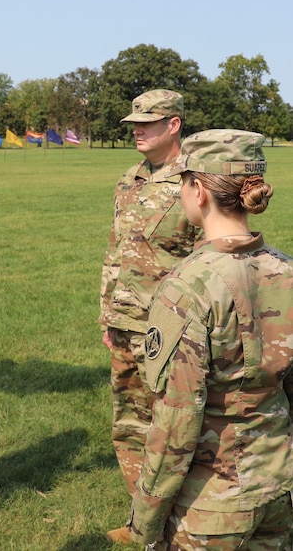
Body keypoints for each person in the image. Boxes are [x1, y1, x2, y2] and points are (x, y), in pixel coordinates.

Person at [130, 130, 293, 550]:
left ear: (198, 191)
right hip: (280, 490)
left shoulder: (188, 287)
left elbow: (175, 423)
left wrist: (146, 522)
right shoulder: (287, 271)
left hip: (212, 505)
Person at [100, 89, 198, 545]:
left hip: (171, 329)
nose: (138, 129)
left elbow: (208, 258)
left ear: (173, 124)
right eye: (135, 122)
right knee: (130, 423)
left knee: (175, 429)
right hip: (125, 324)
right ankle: (142, 521)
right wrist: (107, 314)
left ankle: (182, 522)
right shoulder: (131, 178)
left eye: (148, 122)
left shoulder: (197, 181)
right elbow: (115, 252)